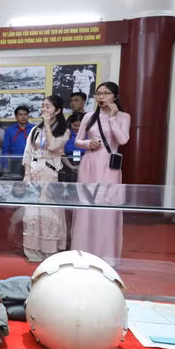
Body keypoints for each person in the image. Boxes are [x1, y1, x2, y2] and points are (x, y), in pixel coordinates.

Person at [71, 82, 131, 263]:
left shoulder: (123, 116)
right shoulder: (89, 116)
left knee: (107, 209)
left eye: (106, 93)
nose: (101, 97)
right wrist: (87, 144)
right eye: (98, 94)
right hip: (89, 164)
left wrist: (112, 119)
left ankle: (106, 256)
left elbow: (123, 140)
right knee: (86, 207)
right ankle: (82, 253)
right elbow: (77, 141)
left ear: (115, 96)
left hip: (109, 167)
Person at [21, 95, 70, 262]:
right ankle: (32, 251)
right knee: (32, 213)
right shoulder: (35, 130)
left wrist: (48, 125)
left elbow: (53, 146)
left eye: (48, 106)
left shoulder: (64, 130)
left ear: (57, 110)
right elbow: (28, 153)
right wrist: (27, 174)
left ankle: (50, 251)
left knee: (50, 213)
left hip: (51, 174)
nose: (43, 109)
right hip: (34, 174)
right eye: (42, 105)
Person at [2, 106, 34, 176]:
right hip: (15, 163)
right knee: (16, 181)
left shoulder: (34, 129)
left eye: (25, 114)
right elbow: (6, 149)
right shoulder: (9, 130)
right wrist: (5, 166)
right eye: (20, 115)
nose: (23, 117)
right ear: (16, 117)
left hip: (31, 162)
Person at [60, 111, 86, 182]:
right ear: (70, 123)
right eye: (75, 125)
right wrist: (71, 166)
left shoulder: (88, 135)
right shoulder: (66, 134)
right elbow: (61, 152)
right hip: (67, 165)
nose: (77, 128)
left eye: (80, 125)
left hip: (84, 165)